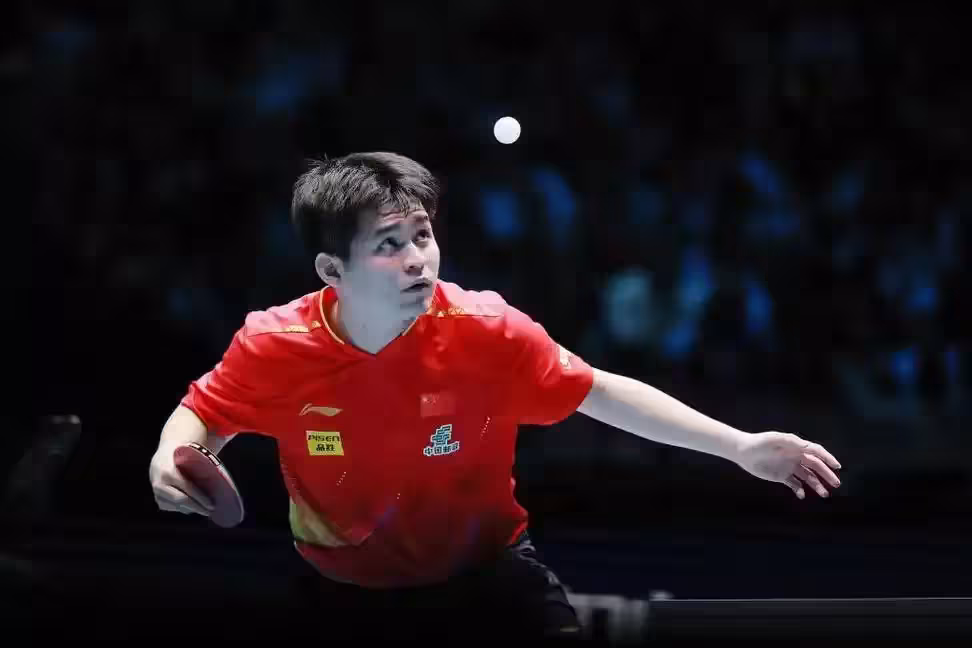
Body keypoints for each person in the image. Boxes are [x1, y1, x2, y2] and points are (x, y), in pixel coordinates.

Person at [148, 151, 842, 640]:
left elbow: (599, 391)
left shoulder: (485, 329)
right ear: (333, 269)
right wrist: (169, 458)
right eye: (388, 244)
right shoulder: (276, 343)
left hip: (487, 580)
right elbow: (204, 416)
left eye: (423, 235)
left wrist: (739, 446)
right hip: (345, 595)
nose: (417, 259)